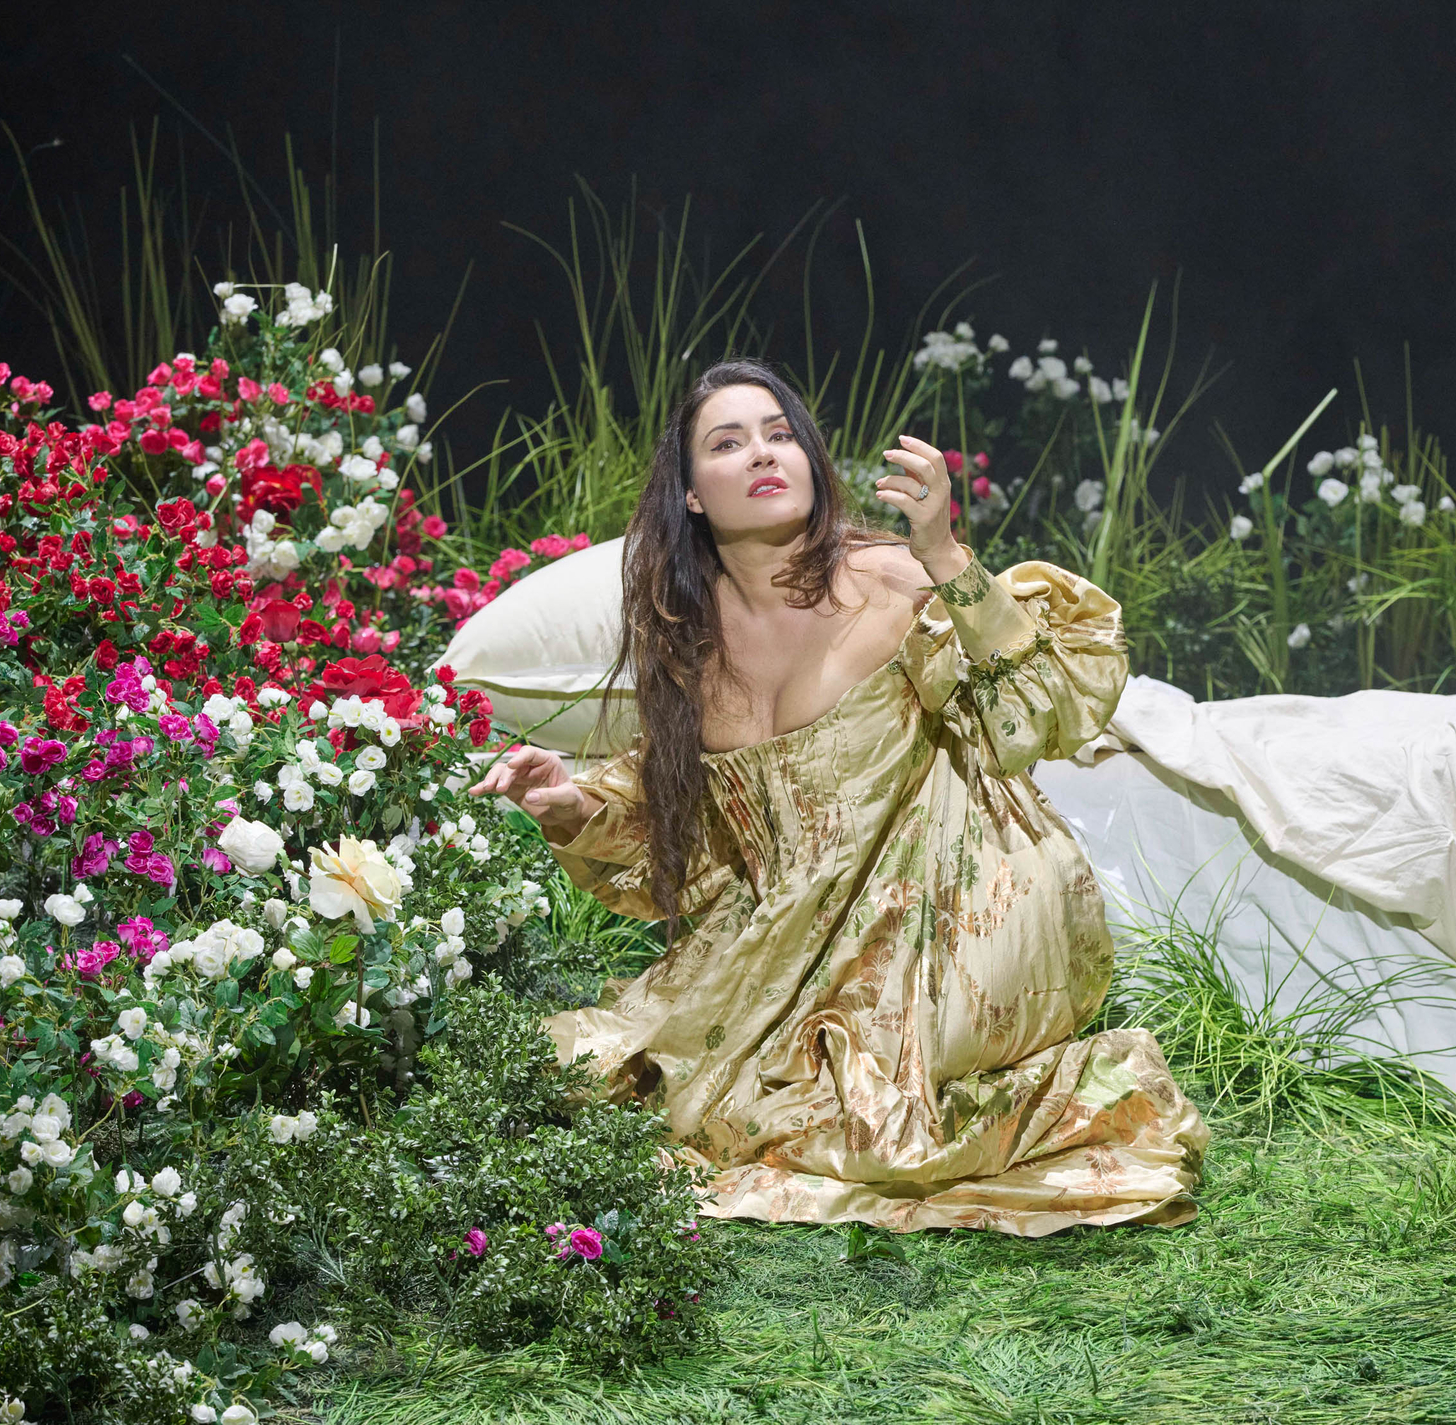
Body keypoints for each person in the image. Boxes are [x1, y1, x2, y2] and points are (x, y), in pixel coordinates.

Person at [470, 359, 1207, 1236]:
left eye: (780, 433)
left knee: (875, 1121)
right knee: (661, 1085)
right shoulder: (686, 639)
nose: (762, 453)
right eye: (728, 442)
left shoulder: (896, 579)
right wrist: (567, 800)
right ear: (693, 494)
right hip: (795, 927)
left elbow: (1038, 715)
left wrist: (944, 554)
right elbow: (688, 817)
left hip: (962, 901)